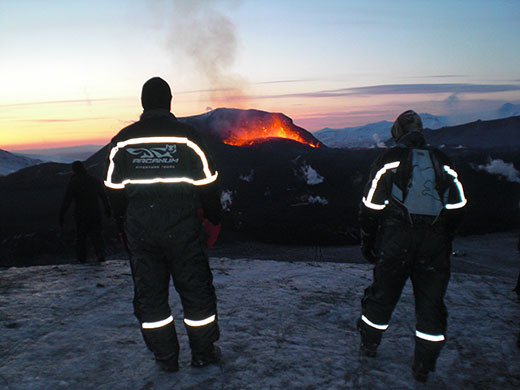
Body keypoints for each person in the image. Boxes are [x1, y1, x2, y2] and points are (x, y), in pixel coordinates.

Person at [103, 77, 222, 372]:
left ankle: (165, 356)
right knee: (196, 293)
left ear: (143, 103)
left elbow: (112, 190)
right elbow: (208, 183)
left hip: (141, 234)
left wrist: (121, 224)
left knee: (150, 298)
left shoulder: (124, 141)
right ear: (169, 101)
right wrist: (213, 219)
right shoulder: (188, 138)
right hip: (183, 231)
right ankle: (203, 352)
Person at [356, 110, 467, 382]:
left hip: (397, 239)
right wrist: (444, 235)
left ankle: (369, 344)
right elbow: (458, 204)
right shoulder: (441, 160)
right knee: (430, 302)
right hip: (435, 241)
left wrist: (369, 237)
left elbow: (371, 203)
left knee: (383, 294)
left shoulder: (389, 159)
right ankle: (423, 366)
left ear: (397, 132)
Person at [59, 160, 110, 263]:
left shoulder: (74, 183)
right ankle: (100, 254)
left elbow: (67, 200)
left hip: (80, 214)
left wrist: (61, 215)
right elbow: (103, 196)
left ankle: (82, 259)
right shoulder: (94, 180)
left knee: (81, 237)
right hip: (95, 212)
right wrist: (107, 209)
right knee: (96, 235)